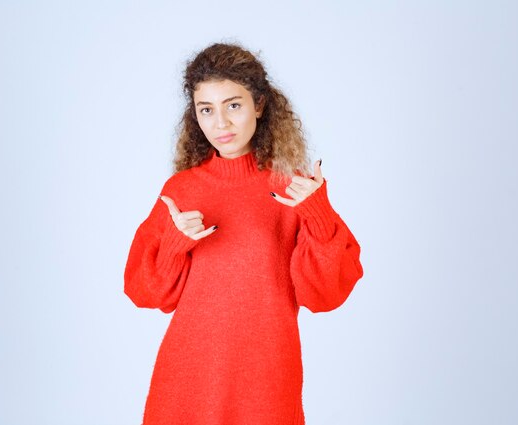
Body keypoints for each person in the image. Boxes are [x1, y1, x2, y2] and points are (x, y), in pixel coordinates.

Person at [123, 41, 364, 425]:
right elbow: (145, 291)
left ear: (260, 105)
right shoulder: (181, 191)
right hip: (189, 374)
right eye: (207, 110)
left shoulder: (295, 189)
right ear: (195, 117)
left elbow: (326, 295)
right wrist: (174, 244)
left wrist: (317, 215)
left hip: (267, 374)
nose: (220, 123)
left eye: (233, 105)